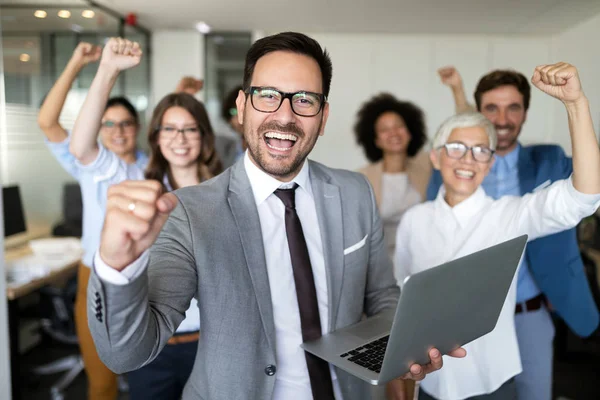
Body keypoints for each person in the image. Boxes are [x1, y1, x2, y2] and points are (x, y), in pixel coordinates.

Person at [87, 32, 466, 400]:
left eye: (304, 100)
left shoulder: (355, 192)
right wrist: (117, 269)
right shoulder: (191, 210)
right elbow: (126, 354)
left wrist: (402, 348)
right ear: (242, 105)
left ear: (323, 115)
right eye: (268, 96)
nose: (284, 117)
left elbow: (381, 294)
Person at [396, 62, 600, 400]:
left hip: (491, 376)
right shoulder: (413, 220)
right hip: (431, 379)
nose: (467, 159)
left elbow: (584, 197)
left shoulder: (509, 214)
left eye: (480, 152)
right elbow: (403, 294)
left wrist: (576, 103)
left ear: (489, 163)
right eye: (456, 149)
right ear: (435, 158)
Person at [69, 37, 222, 399]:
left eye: (189, 128)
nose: (179, 139)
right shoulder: (139, 184)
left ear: (203, 134)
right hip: (155, 342)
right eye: (169, 129)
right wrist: (106, 70)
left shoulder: (225, 191)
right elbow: (81, 148)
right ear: (156, 137)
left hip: (213, 342)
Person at [37, 41, 148, 400]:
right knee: (102, 382)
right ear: (97, 129)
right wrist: (76, 63)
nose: (118, 131)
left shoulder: (155, 166)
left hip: (152, 276)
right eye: (108, 123)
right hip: (96, 277)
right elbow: (47, 122)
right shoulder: (88, 164)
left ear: (138, 127)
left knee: (157, 378)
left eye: (126, 123)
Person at [355, 93, 431, 258]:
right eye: (384, 129)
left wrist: (456, 89)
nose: (393, 133)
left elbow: (461, 131)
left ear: (410, 132)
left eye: (398, 126)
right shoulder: (362, 177)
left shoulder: (427, 165)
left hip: (422, 256)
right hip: (380, 260)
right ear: (376, 140)